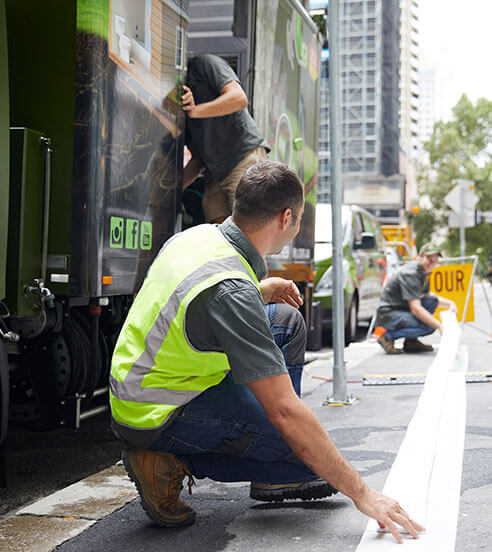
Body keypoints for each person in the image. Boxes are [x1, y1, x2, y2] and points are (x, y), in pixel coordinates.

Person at [110, 161, 423, 544]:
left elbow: (198, 314)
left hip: (152, 382)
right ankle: (166, 459)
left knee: (285, 322)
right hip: (157, 411)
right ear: (286, 217)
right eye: (301, 217)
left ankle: (266, 454)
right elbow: (285, 410)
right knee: (309, 461)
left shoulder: (198, 238)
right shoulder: (231, 290)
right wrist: (363, 493)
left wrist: (259, 290)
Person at [181, 53, 269, 224]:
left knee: (248, 227)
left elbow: (238, 98)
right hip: (216, 172)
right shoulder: (180, 108)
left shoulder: (204, 64)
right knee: (217, 234)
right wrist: (170, 190)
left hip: (242, 156)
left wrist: (195, 111)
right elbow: (198, 161)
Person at [375, 243, 458, 354]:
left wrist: (450, 303)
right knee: (428, 326)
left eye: (435, 261)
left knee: (431, 301)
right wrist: (440, 326)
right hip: (389, 314)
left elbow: (429, 295)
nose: (432, 264)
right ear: (420, 257)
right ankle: (387, 337)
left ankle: (411, 342)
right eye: (429, 259)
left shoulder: (422, 271)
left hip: (400, 309)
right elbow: (416, 309)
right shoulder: (411, 273)